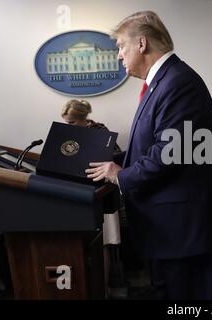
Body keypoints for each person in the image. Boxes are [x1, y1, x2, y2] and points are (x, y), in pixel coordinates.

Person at [85, 11, 212, 299]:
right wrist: (107, 163)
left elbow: (172, 152)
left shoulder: (179, 82)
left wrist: (120, 175)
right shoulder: (161, 83)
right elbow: (149, 148)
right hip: (168, 231)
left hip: (182, 233)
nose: (119, 55)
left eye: (122, 46)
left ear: (142, 44)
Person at [61, 99, 125, 297]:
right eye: (66, 123)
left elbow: (113, 165)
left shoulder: (102, 135)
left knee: (103, 244)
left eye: (71, 123)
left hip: (101, 199)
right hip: (78, 198)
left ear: (83, 120)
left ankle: (103, 292)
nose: (68, 127)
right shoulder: (69, 136)